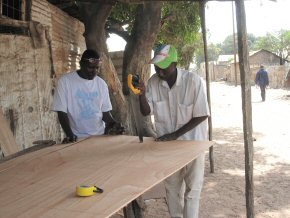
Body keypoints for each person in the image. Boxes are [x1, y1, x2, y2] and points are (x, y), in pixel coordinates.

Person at [138, 44, 210, 218]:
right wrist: (141, 94)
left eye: (164, 67)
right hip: (167, 147)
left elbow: (202, 115)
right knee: (172, 188)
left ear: (175, 63)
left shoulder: (193, 81)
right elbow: (146, 112)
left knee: (193, 189)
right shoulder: (153, 82)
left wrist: (176, 134)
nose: (160, 72)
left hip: (193, 144)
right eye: (156, 67)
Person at [52, 49, 124, 143]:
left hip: (100, 136)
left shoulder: (101, 84)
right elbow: (61, 113)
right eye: (90, 67)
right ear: (81, 64)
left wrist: (114, 124)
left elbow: (105, 113)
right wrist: (70, 134)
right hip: (77, 138)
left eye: (97, 68)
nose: (94, 71)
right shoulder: (65, 82)